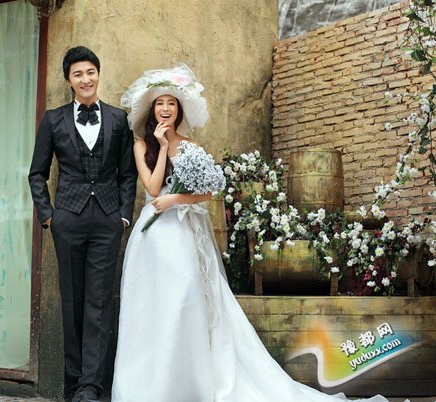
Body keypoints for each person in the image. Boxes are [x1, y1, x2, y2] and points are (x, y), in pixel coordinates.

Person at [111, 63, 404, 402]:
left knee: (185, 297)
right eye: (160, 103)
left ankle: (190, 382)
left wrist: (175, 196)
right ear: (152, 109)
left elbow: (206, 193)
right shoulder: (140, 145)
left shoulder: (192, 146)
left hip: (183, 230)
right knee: (153, 304)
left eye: (171, 103)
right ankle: (152, 384)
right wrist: (161, 147)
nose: (165, 109)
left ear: (179, 110)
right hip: (154, 235)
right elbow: (151, 187)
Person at [28, 46, 137, 402]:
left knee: (100, 302)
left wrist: (123, 214)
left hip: (107, 220)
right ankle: (73, 383)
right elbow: (37, 173)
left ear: (98, 75)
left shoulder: (119, 119)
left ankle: (91, 387)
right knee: (72, 301)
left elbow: (127, 173)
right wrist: (49, 215)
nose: (86, 79)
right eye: (78, 74)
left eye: (90, 72)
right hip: (68, 219)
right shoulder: (53, 120)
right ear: (69, 80)